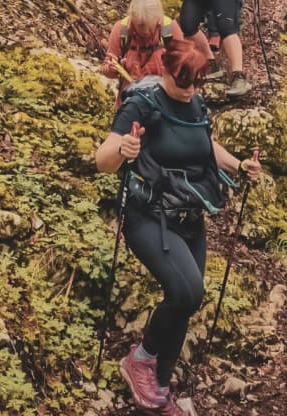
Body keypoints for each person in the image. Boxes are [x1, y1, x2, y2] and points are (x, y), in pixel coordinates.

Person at [94, 35, 263, 413]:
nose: (189, 90)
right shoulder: (144, 103)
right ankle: (141, 357)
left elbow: (204, 145)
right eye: (184, 81)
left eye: (198, 82)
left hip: (188, 219)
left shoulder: (197, 103)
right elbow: (101, 158)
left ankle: (160, 393)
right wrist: (123, 150)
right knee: (188, 293)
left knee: (185, 301)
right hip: (148, 217)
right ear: (167, 69)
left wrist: (239, 165)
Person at [102, 0, 184, 96]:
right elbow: (106, 70)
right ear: (132, 19)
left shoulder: (170, 30)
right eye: (140, 25)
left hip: (163, 100)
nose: (145, 31)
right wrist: (115, 68)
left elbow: (184, 68)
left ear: (158, 19)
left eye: (149, 26)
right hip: (130, 101)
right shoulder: (121, 30)